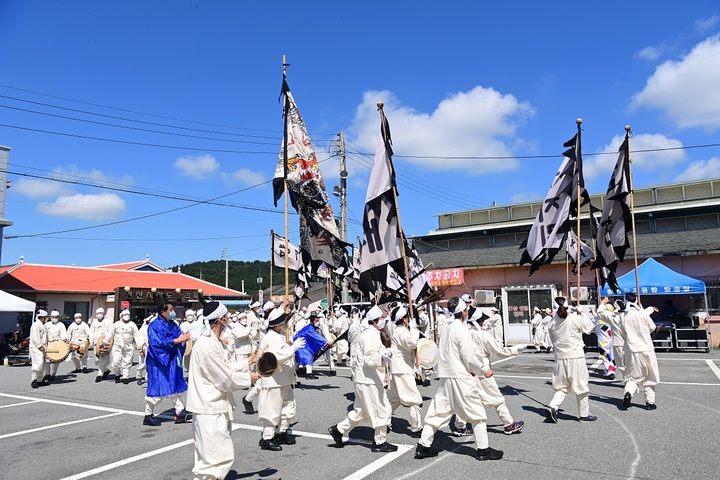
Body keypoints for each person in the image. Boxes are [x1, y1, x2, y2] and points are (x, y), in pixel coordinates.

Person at [414, 297, 502, 461]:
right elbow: (469, 356)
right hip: (460, 377)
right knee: (477, 413)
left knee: (436, 412)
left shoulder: (447, 328)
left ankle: (423, 446)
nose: (467, 311)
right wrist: (483, 370)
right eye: (466, 309)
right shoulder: (461, 330)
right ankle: (483, 449)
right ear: (463, 311)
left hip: (446, 377)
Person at [186, 300, 261, 480]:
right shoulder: (206, 345)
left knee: (211, 458)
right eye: (227, 316)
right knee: (216, 459)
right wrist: (248, 379)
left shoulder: (214, 342)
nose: (229, 318)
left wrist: (246, 362)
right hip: (209, 407)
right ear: (221, 319)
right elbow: (224, 378)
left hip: (213, 405)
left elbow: (224, 368)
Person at [328, 305, 398, 452]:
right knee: (382, 409)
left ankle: (338, 430)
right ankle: (380, 442)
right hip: (369, 379)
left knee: (361, 411)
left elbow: (372, 353)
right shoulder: (370, 334)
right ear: (375, 320)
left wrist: (385, 352)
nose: (384, 320)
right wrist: (383, 356)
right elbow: (369, 357)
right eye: (381, 318)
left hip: (365, 378)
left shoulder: (371, 333)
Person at [467, 307, 526, 435]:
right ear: (479, 321)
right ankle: (509, 424)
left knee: (466, 399)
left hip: (467, 372)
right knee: (497, 398)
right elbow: (498, 351)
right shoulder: (482, 335)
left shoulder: (465, 333)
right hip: (483, 372)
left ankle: (460, 426)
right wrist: (515, 349)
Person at [257, 305, 306, 451]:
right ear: (277, 324)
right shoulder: (269, 337)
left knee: (288, 407)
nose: (286, 324)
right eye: (284, 322)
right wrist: (292, 348)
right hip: (273, 380)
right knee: (271, 409)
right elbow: (274, 357)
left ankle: (282, 432)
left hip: (284, 378)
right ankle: (268, 438)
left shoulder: (277, 337)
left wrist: (289, 346)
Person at [143, 297, 192, 427]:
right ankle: (148, 415)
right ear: (162, 311)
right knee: (159, 388)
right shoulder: (154, 325)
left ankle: (180, 411)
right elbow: (157, 343)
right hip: (159, 362)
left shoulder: (172, 323)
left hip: (171, 360)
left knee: (175, 385)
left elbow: (178, 335)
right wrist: (177, 340)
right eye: (170, 310)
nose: (172, 312)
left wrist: (183, 337)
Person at [545, 298, 596, 423]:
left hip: (560, 358)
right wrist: (581, 312)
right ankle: (584, 414)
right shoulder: (574, 318)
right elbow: (589, 328)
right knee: (581, 386)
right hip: (576, 357)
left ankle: (553, 406)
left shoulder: (552, 323)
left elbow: (552, 339)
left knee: (562, 387)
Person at [386, 304, 424, 437]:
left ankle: (383, 421)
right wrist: (414, 329)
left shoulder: (400, 330)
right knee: (414, 399)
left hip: (399, 368)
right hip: (403, 369)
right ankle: (416, 428)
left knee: (394, 399)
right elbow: (411, 343)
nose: (409, 319)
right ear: (403, 319)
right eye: (407, 317)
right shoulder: (401, 331)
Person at [621, 293, 661, 410]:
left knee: (632, 376)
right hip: (646, 348)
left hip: (631, 349)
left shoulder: (623, 316)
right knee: (650, 376)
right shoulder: (642, 314)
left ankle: (628, 393)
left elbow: (623, 334)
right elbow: (652, 327)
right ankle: (650, 402)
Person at [108, 309, 140, 384]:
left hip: (128, 346)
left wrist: (139, 345)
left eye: (128, 315)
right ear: (121, 316)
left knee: (127, 362)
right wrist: (105, 342)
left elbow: (136, 335)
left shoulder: (132, 324)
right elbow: (110, 334)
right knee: (116, 362)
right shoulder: (116, 324)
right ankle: (117, 374)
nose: (127, 316)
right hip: (117, 346)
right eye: (125, 315)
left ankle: (125, 377)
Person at [594, 298, 616, 379]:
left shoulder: (600, 317)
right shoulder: (614, 316)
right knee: (612, 355)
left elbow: (595, 328)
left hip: (603, 340)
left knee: (605, 355)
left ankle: (610, 370)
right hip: (613, 340)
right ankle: (611, 369)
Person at [89, 307, 113, 382]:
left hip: (105, 343)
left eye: (101, 313)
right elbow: (91, 333)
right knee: (97, 360)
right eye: (98, 313)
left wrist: (109, 341)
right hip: (96, 343)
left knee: (103, 358)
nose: (99, 315)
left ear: (104, 314)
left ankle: (99, 374)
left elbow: (111, 332)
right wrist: (91, 342)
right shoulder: (94, 323)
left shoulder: (108, 322)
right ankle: (105, 370)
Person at [45, 310, 68, 380]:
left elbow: (64, 334)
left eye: (56, 317)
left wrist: (64, 340)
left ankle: (53, 374)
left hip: (57, 344)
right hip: (48, 344)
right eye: (53, 317)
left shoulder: (61, 325)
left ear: (58, 317)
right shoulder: (46, 324)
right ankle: (47, 374)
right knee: (46, 361)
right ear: (50, 317)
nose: (54, 318)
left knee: (56, 361)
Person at [29, 310, 49, 388]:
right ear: (43, 317)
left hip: (42, 348)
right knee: (38, 363)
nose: (46, 319)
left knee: (42, 364)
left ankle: (40, 380)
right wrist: (40, 346)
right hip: (36, 347)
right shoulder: (36, 325)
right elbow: (35, 337)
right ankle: (34, 380)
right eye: (46, 317)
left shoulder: (42, 325)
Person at [136, 315, 151, 385]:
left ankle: (148, 378)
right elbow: (140, 340)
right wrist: (140, 350)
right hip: (144, 348)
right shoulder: (143, 329)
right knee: (142, 363)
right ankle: (139, 376)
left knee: (150, 364)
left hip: (152, 349)